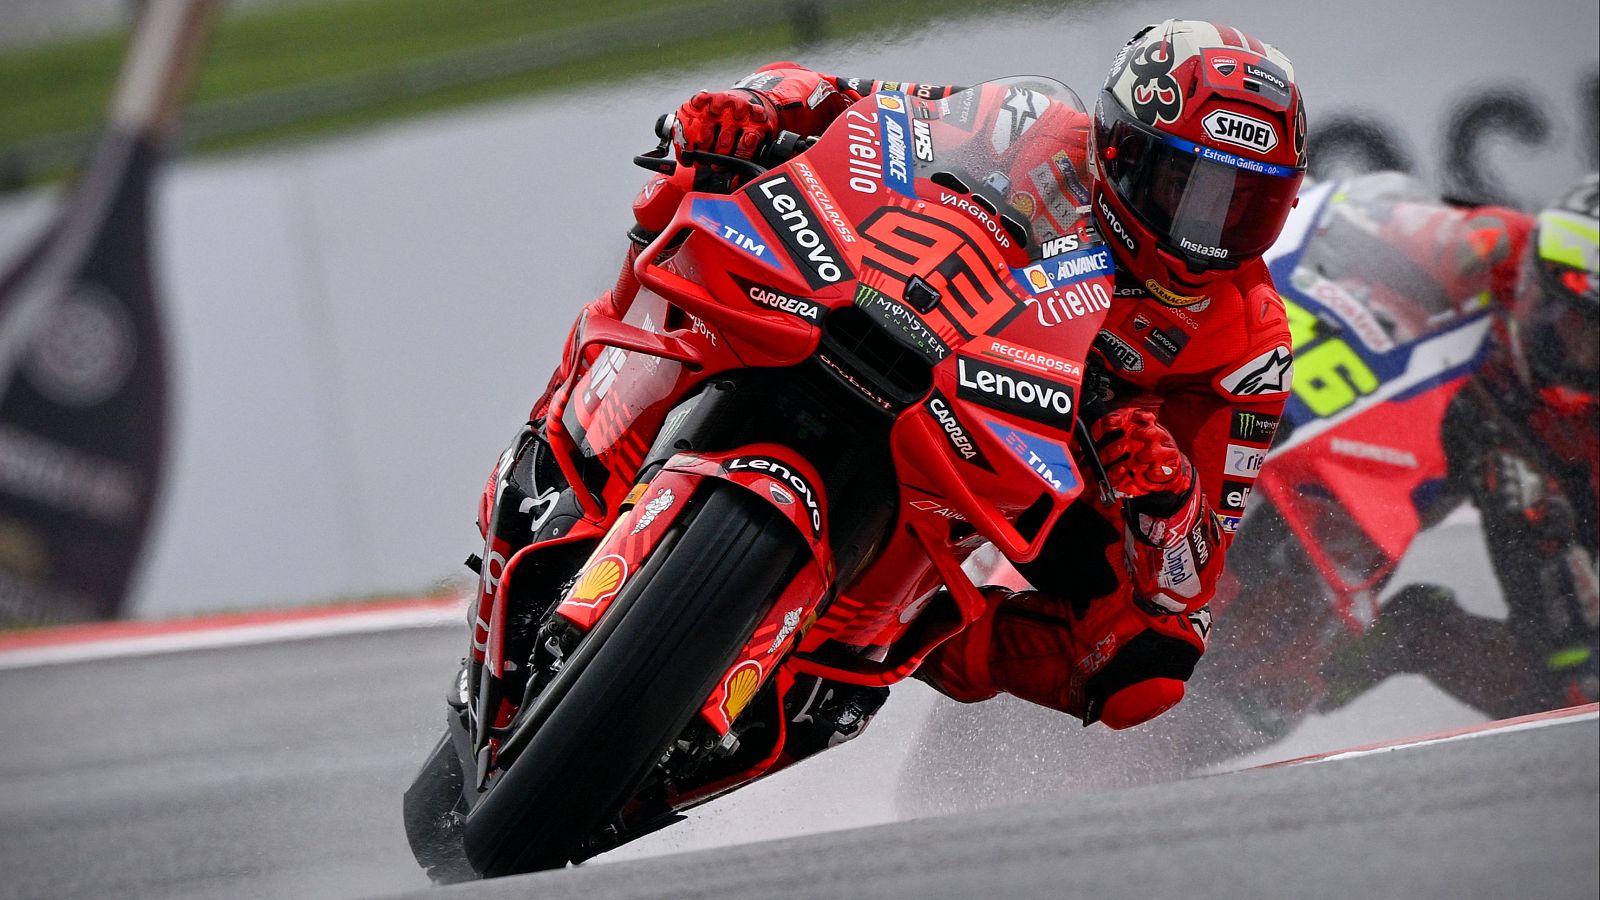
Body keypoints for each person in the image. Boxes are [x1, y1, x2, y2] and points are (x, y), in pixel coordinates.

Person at [523, 19, 1309, 732]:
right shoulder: (1027, 125)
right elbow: (850, 105)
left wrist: (1167, 492)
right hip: (889, 315)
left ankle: (895, 644)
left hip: (1038, 456)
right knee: (687, 184)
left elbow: (1190, 580)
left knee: (1151, 664)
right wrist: (754, 110)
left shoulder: (1251, 340)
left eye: (1246, 207)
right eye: (1188, 187)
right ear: (1120, 145)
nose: (1206, 230)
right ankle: (570, 438)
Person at [1312, 172, 1600, 717]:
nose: (1572, 345)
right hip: (1387, 409)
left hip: (1497, 482)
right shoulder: (1493, 243)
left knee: (1580, 685)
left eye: (1596, 333)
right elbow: (1353, 221)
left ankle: (1398, 640)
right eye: (1555, 306)